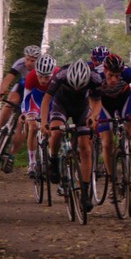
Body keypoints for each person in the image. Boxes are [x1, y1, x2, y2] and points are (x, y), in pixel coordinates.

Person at [40, 59, 103, 212]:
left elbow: (99, 101)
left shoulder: (95, 78)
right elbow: (46, 100)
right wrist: (43, 122)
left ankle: (85, 194)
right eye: (73, 86)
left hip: (81, 108)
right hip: (61, 105)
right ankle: (54, 160)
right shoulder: (61, 76)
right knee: (56, 132)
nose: (76, 89)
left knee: (85, 148)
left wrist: (93, 117)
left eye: (80, 87)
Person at [95, 53, 131, 182]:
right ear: (105, 70)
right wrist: (92, 114)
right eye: (110, 75)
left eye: (117, 76)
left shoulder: (128, 73)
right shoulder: (96, 75)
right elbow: (87, 95)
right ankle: (111, 178)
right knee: (107, 143)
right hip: (104, 104)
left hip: (124, 101)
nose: (114, 79)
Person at [0, 45, 41, 171]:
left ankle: (11, 156)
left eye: (33, 60)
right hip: (22, 86)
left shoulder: (41, 67)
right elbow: (8, 79)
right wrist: (1, 92)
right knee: (11, 101)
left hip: (33, 92)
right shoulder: (20, 63)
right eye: (27, 59)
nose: (29, 63)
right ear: (24, 57)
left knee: (21, 126)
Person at [22, 54, 56, 177]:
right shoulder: (31, 76)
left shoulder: (58, 74)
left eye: (47, 77)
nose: (43, 80)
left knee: (53, 129)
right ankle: (32, 163)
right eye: (40, 76)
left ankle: (52, 158)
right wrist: (25, 114)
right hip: (35, 100)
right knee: (33, 127)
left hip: (52, 99)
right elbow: (26, 98)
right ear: (36, 72)